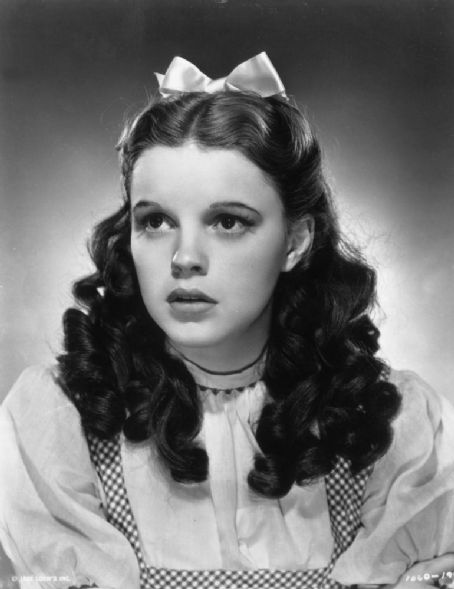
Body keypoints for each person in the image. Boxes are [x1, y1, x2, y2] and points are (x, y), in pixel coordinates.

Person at [1, 53, 454, 589]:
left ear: (295, 241)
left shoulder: (391, 428)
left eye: (228, 222)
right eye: (155, 221)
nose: (184, 257)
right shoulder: (65, 420)